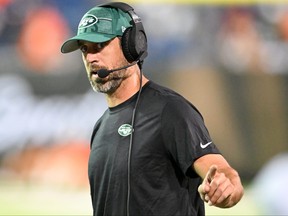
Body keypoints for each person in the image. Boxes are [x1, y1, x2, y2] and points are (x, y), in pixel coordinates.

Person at [61, 2, 244, 216]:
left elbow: (222, 173)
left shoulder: (170, 110)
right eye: (85, 49)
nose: (91, 57)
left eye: (100, 45)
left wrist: (225, 188)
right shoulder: (101, 127)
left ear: (132, 45)